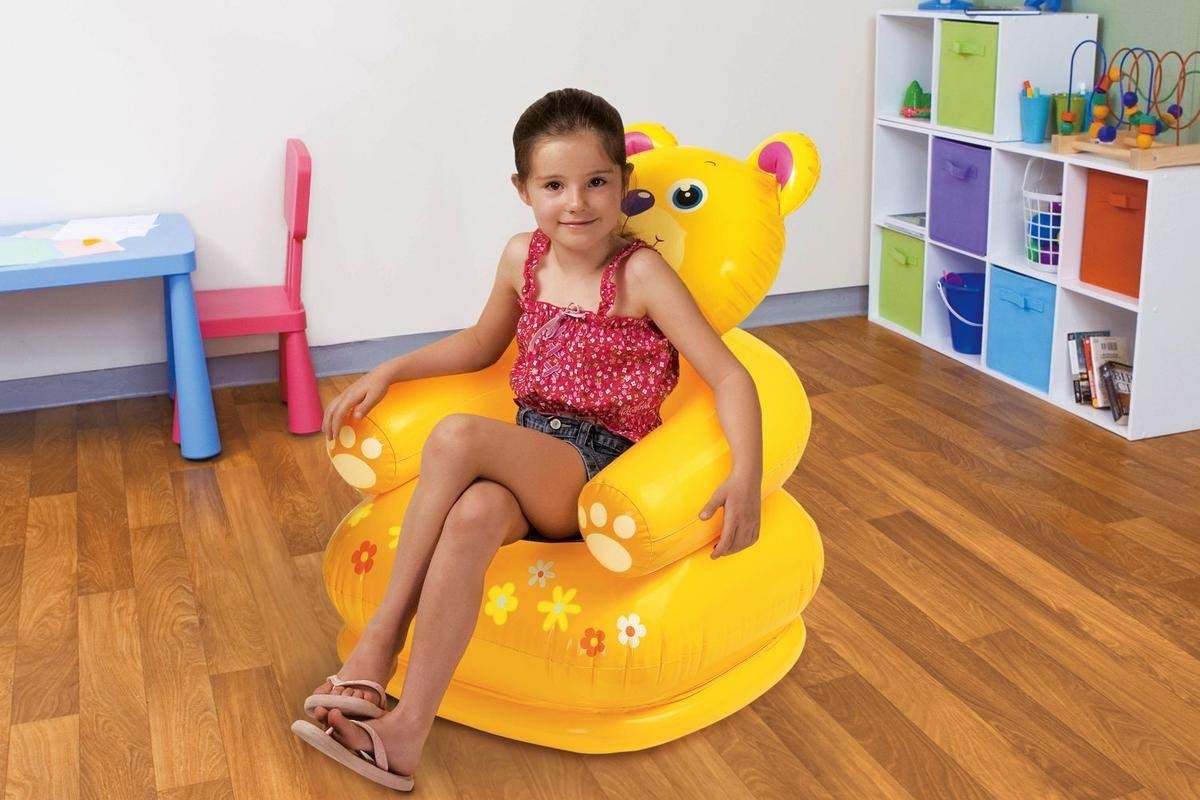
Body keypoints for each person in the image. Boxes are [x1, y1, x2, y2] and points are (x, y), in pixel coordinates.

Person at [296, 88, 764, 789]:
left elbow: (730, 376)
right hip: (528, 454)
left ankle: (377, 646)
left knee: (456, 437)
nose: (576, 203)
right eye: (554, 186)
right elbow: (482, 344)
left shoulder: (639, 273)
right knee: (473, 515)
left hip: (597, 466)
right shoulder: (523, 257)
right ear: (523, 190)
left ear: (624, 183)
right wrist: (390, 370)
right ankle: (405, 732)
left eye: (596, 182)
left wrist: (746, 476)